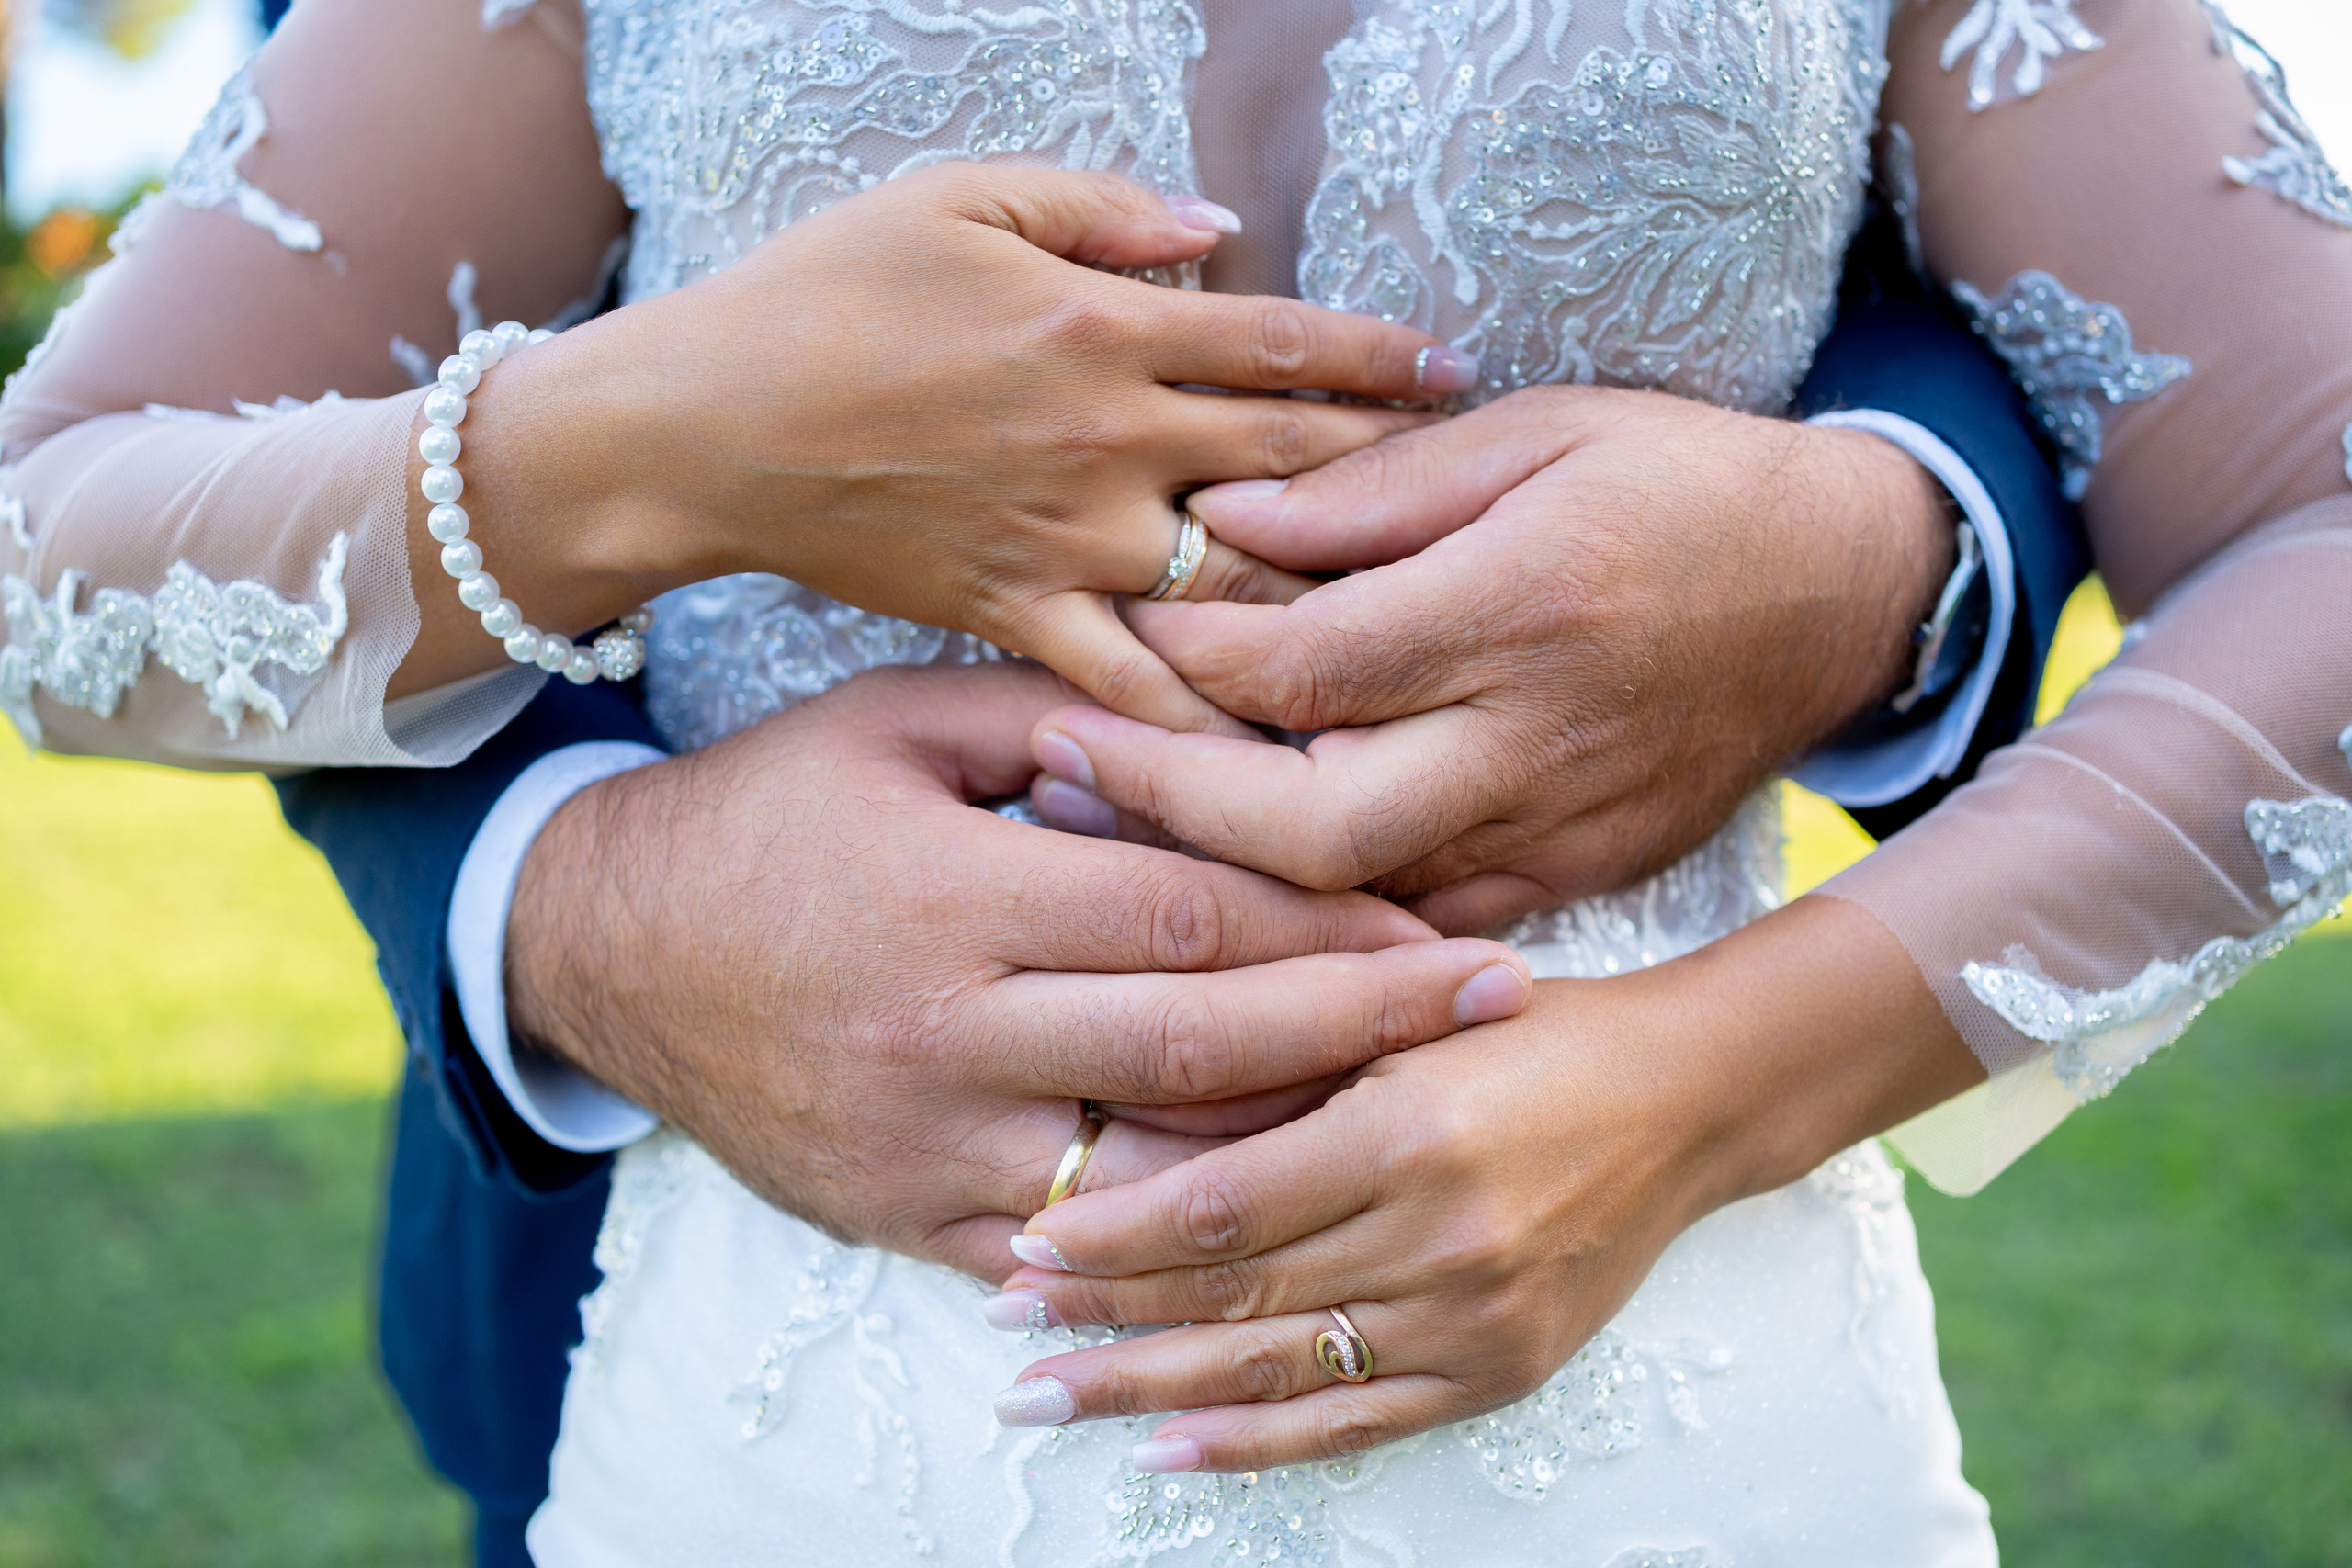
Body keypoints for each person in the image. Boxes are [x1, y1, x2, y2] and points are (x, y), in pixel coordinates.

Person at [3, 0, 2341, 1562]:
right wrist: (654, 442)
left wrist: (1723, 1077)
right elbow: (51, 540)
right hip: (818, 1415)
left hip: (1666, 1375)